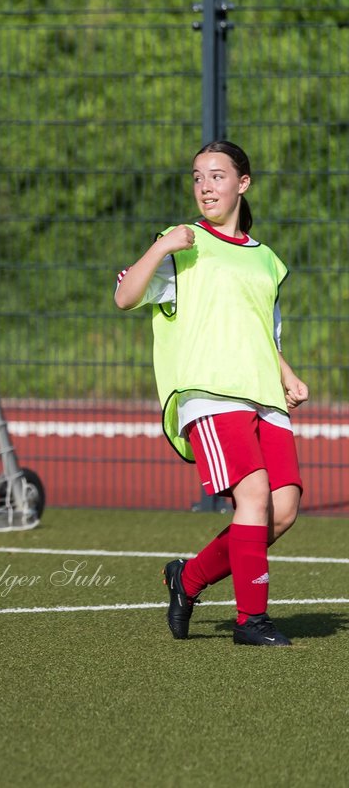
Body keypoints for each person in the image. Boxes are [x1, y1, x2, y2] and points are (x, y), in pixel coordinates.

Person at [115, 140, 307, 647]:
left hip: (265, 395)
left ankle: (189, 579)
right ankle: (251, 621)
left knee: (283, 510)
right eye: (198, 177)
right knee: (254, 496)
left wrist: (286, 373)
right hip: (211, 393)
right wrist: (160, 247)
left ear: (242, 184)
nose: (205, 186)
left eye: (217, 176)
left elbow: (262, 332)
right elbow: (124, 296)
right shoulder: (184, 245)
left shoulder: (268, 260)